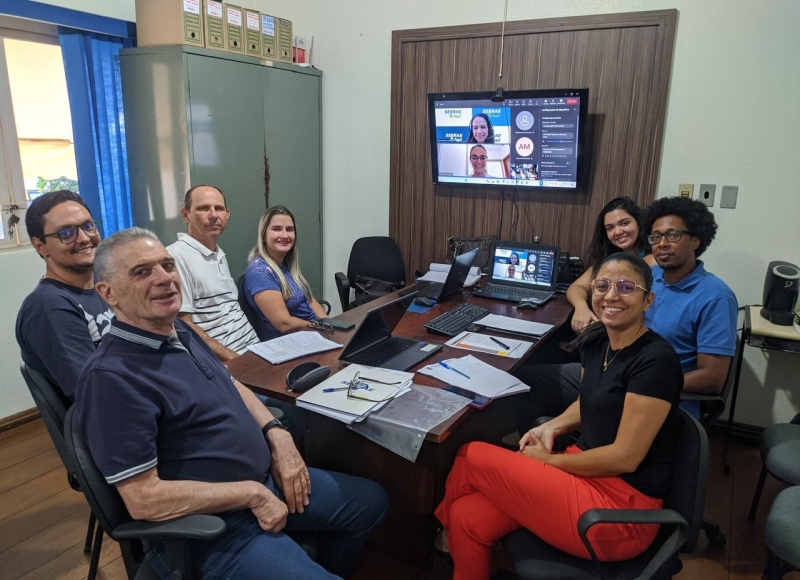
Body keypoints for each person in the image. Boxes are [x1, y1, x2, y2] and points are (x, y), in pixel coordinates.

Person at [76, 228, 388, 580]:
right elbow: (143, 499)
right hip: (213, 528)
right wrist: (252, 494)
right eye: (142, 271)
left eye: (167, 265)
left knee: (371, 502)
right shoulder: (111, 378)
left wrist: (277, 434)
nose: (165, 279)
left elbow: (232, 382)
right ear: (108, 293)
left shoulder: (180, 331)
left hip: (263, 483)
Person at [434, 253, 683, 580]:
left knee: (472, 453)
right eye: (602, 286)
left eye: (626, 287)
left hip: (621, 512)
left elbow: (625, 457)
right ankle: (452, 532)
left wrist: (548, 462)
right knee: (467, 515)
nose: (611, 295)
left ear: (647, 299)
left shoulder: (656, 361)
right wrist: (552, 426)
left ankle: (443, 535)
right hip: (584, 474)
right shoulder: (598, 342)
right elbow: (589, 402)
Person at [641, 197, 738, 412]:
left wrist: (645, 385)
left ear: (696, 239)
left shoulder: (716, 296)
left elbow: (712, 378)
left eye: (673, 235)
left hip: (666, 399)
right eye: (656, 237)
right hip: (628, 377)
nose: (662, 244)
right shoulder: (651, 277)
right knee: (550, 377)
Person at [16, 190, 113, 400]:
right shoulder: (48, 307)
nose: (85, 238)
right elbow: (94, 394)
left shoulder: (105, 283)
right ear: (41, 246)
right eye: (66, 233)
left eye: (88, 226)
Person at [167, 184, 259, 361]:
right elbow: (182, 325)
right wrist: (236, 361)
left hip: (254, 352)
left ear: (227, 214)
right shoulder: (175, 257)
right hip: (228, 363)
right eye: (203, 208)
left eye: (219, 208)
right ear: (186, 215)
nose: (213, 215)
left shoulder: (217, 253)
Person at [568, 197, 654, 333]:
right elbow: (576, 287)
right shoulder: (609, 261)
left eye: (624, 223)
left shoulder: (653, 261)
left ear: (639, 223)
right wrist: (581, 307)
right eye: (610, 228)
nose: (618, 232)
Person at [244, 206, 327, 340]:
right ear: (263, 235)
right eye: (277, 229)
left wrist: (328, 323)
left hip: (312, 334)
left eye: (289, 229)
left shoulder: (286, 265)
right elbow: (285, 324)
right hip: (288, 344)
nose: (285, 235)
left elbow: (310, 300)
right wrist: (322, 329)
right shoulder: (259, 273)